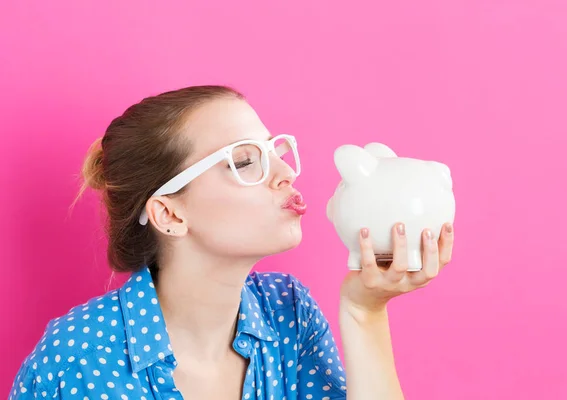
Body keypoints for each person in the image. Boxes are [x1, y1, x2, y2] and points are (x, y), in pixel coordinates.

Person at [9, 86, 454, 400]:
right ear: (170, 214)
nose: (285, 172)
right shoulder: (80, 359)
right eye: (245, 161)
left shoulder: (288, 313)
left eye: (274, 151)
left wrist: (365, 311)